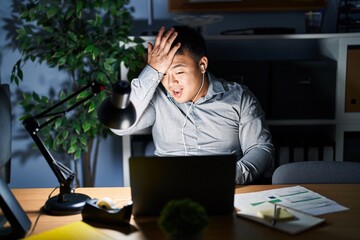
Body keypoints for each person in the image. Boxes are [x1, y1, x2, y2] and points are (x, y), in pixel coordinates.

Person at [111, 26, 274, 184]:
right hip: (169, 189)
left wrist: (230, 175)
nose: (171, 82)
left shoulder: (239, 98)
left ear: (202, 65)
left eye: (179, 72)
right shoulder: (157, 98)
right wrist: (152, 70)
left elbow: (261, 149)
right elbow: (120, 127)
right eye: (164, 74)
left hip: (225, 187)